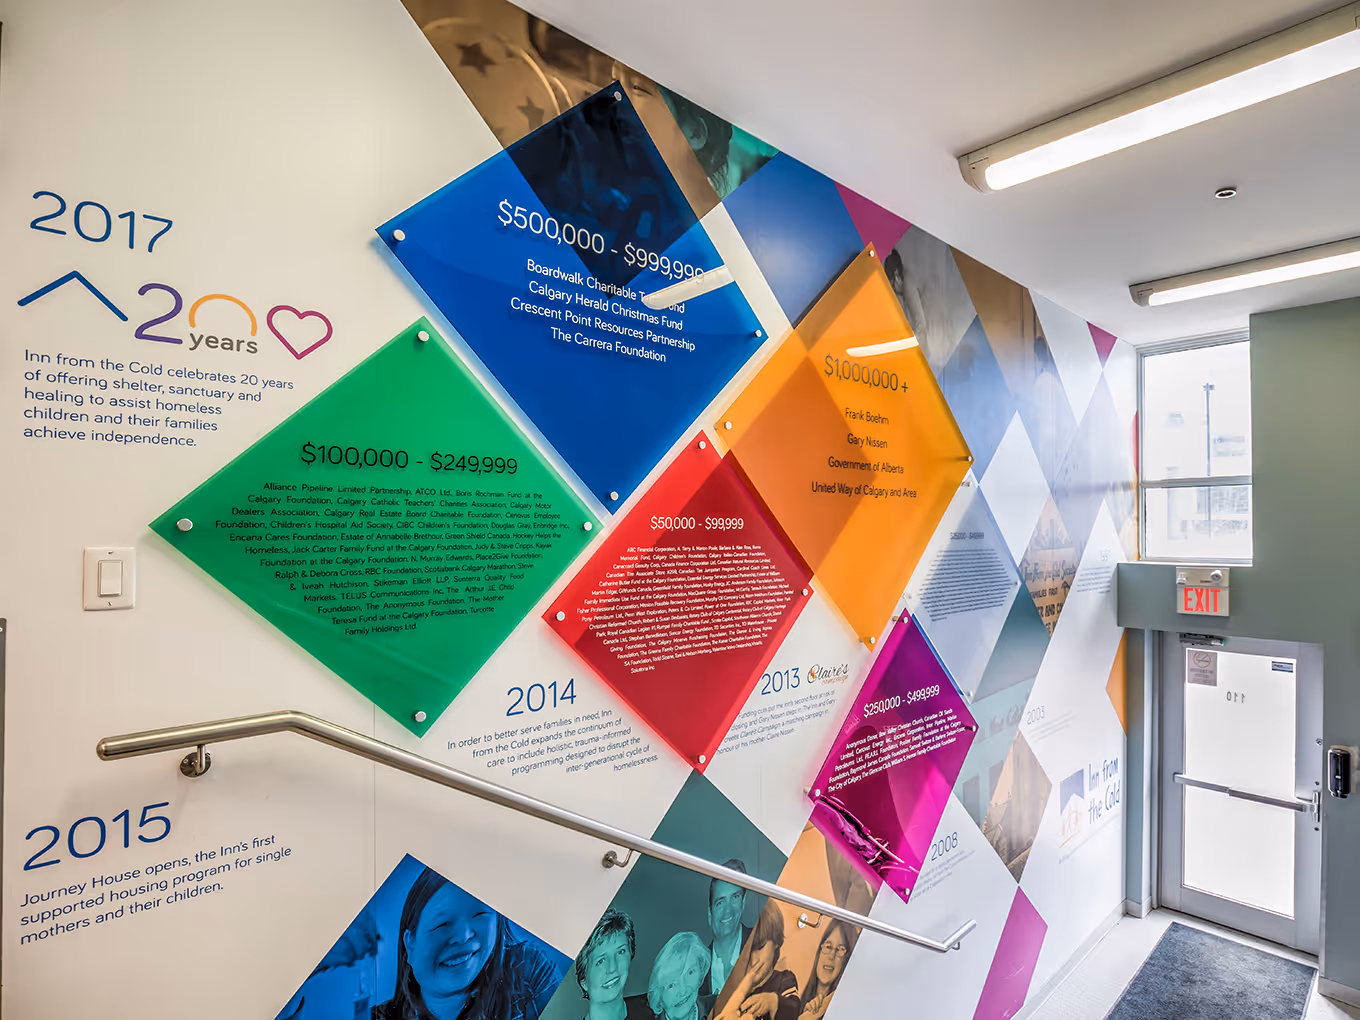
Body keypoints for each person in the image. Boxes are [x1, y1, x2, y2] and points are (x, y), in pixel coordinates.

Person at [373, 867, 562, 1020]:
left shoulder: (527, 972)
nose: (463, 936)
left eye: (479, 915)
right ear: (410, 943)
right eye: (442, 924)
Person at [715, 904, 798, 1020]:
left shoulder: (784, 980)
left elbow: (794, 1009)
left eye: (760, 947)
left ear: (776, 943)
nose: (753, 959)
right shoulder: (732, 984)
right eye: (747, 951)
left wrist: (772, 1001)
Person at [574, 909, 651, 1020]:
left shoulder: (656, 1008)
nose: (612, 968)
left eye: (620, 952)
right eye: (600, 961)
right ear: (584, 982)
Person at [701, 860, 751, 998]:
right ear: (710, 914)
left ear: (743, 902)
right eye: (720, 902)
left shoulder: (764, 943)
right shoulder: (697, 970)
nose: (728, 910)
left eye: (735, 897)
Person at [645, 932, 713, 1020]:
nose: (682, 991)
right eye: (671, 985)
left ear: (701, 972)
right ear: (659, 998)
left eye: (690, 973)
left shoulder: (722, 1007)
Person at [796, 922, 853, 1020]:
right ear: (819, 951)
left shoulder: (844, 1011)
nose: (831, 956)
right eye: (828, 947)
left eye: (840, 950)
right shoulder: (794, 1001)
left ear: (846, 961)